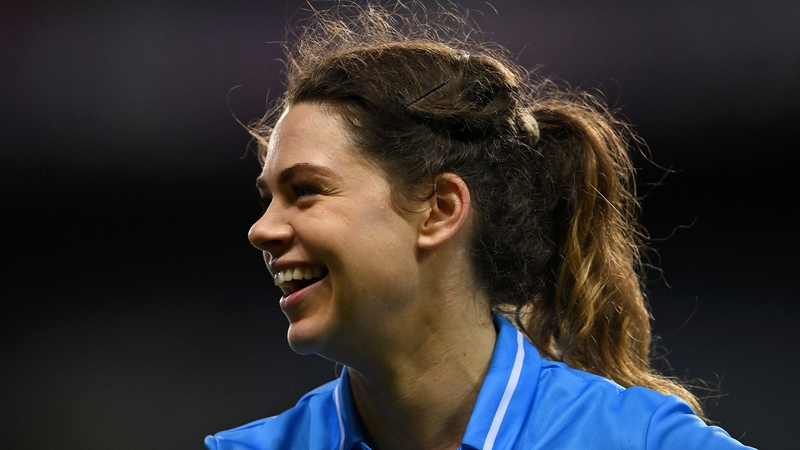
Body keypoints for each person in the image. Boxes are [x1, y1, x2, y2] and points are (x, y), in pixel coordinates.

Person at [206, 3, 753, 449]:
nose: (262, 230)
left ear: (440, 208)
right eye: (268, 198)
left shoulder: (643, 441)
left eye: (305, 192)